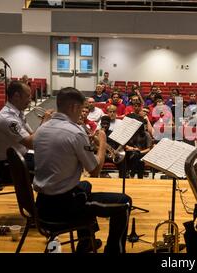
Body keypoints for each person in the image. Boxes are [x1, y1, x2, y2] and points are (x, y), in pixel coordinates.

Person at [33, 87, 132, 253]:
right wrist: (101, 143)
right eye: (80, 109)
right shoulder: (75, 132)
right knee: (125, 202)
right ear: (73, 107)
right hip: (64, 207)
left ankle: (86, 242)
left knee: (85, 186)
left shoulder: (42, 128)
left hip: (42, 202)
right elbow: (94, 170)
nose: (81, 113)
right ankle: (114, 250)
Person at [0, 81, 52, 181]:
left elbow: (32, 135)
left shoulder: (18, 113)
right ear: (16, 96)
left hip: (20, 158)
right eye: (28, 96)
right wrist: (45, 122)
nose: (30, 100)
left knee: (52, 161)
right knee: (51, 171)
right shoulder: (7, 118)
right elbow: (31, 143)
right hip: (7, 166)